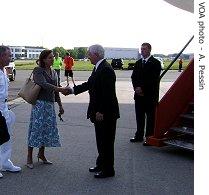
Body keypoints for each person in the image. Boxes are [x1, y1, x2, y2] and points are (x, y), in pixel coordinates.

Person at [67, 44, 120, 178]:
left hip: (105, 114)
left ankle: (108, 170)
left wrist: (101, 111)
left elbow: (108, 94)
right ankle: (101, 164)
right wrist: (72, 90)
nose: (88, 57)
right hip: (99, 112)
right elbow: (89, 84)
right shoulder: (98, 68)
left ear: (96, 55)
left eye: (89, 54)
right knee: (101, 141)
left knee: (106, 142)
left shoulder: (106, 69)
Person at [26, 49, 69, 169]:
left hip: (50, 105)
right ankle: (29, 156)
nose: (53, 59)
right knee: (35, 130)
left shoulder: (54, 72)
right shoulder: (38, 71)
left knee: (45, 130)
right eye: (50, 57)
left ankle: (41, 154)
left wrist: (60, 105)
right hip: (39, 105)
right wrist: (60, 89)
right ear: (43, 59)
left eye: (53, 57)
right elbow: (43, 84)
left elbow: (55, 92)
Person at [130, 43, 161, 146]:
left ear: (149, 50)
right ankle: (139, 136)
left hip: (150, 96)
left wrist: (142, 88)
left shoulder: (156, 63)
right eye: (141, 49)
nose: (142, 50)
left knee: (150, 118)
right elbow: (133, 77)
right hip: (138, 96)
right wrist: (136, 88)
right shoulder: (138, 63)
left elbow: (153, 79)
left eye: (144, 49)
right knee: (139, 117)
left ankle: (149, 137)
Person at [0, 46, 21, 178]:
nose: (10, 58)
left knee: (6, 137)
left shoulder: (3, 71)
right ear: (1, 56)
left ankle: (5, 163)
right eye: (8, 55)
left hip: (4, 108)